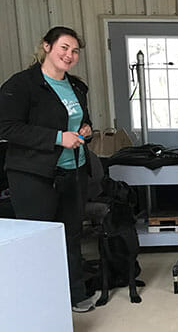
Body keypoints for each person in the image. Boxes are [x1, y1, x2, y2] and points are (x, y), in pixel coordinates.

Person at [0, 27, 97, 312]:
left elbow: (81, 120)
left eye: (75, 51)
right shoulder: (22, 85)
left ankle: (76, 294)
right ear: (46, 46)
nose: (69, 55)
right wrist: (57, 137)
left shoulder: (76, 86)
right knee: (40, 238)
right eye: (64, 47)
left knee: (72, 235)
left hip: (73, 170)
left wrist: (85, 130)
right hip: (33, 175)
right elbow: (6, 127)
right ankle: (41, 300)